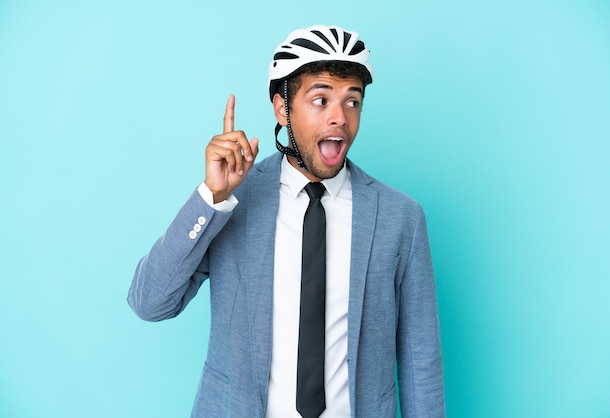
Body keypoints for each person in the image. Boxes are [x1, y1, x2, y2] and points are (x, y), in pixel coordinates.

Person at [128, 25, 445, 418]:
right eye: (320, 99)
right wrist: (211, 198)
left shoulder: (401, 217)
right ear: (282, 108)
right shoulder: (234, 202)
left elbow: (421, 362)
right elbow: (149, 303)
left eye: (352, 101)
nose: (339, 118)